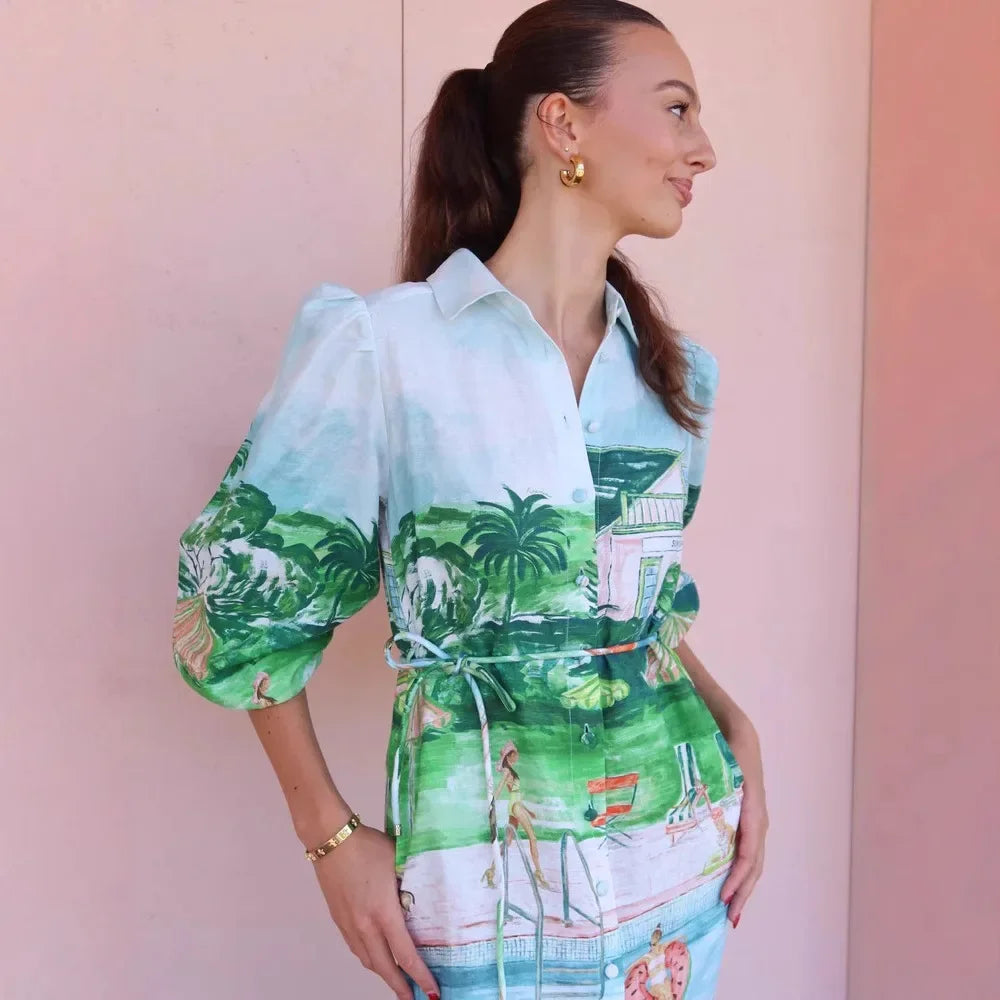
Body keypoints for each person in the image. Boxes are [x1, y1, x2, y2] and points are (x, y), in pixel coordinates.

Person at [171, 2, 769, 998]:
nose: (701, 149)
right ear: (563, 124)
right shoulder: (385, 349)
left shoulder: (674, 379)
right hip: (487, 879)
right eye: (676, 109)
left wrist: (733, 719)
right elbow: (239, 612)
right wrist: (329, 837)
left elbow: (636, 600)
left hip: (681, 857)